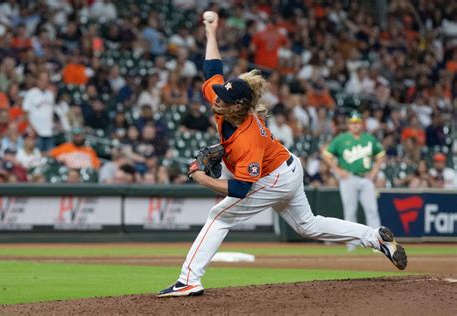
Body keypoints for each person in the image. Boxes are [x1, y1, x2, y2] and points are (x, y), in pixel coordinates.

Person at [158, 11, 407, 298]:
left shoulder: (248, 137)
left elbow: (240, 189)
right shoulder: (226, 106)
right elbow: (211, 69)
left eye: (223, 100)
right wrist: (211, 33)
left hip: (274, 177)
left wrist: (201, 177)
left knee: (219, 216)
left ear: (237, 107)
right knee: (308, 225)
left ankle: (189, 279)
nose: (216, 101)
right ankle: (375, 238)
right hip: (284, 166)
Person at [322, 111, 386, 251]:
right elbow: (326, 154)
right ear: (348, 125)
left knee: (372, 211)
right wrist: (337, 170)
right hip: (349, 178)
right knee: (350, 212)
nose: (355, 125)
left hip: (366, 178)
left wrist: (374, 172)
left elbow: (381, 155)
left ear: (362, 124)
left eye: (357, 122)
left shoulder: (369, 139)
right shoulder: (341, 139)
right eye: (352, 123)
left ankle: (377, 246)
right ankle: (351, 246)